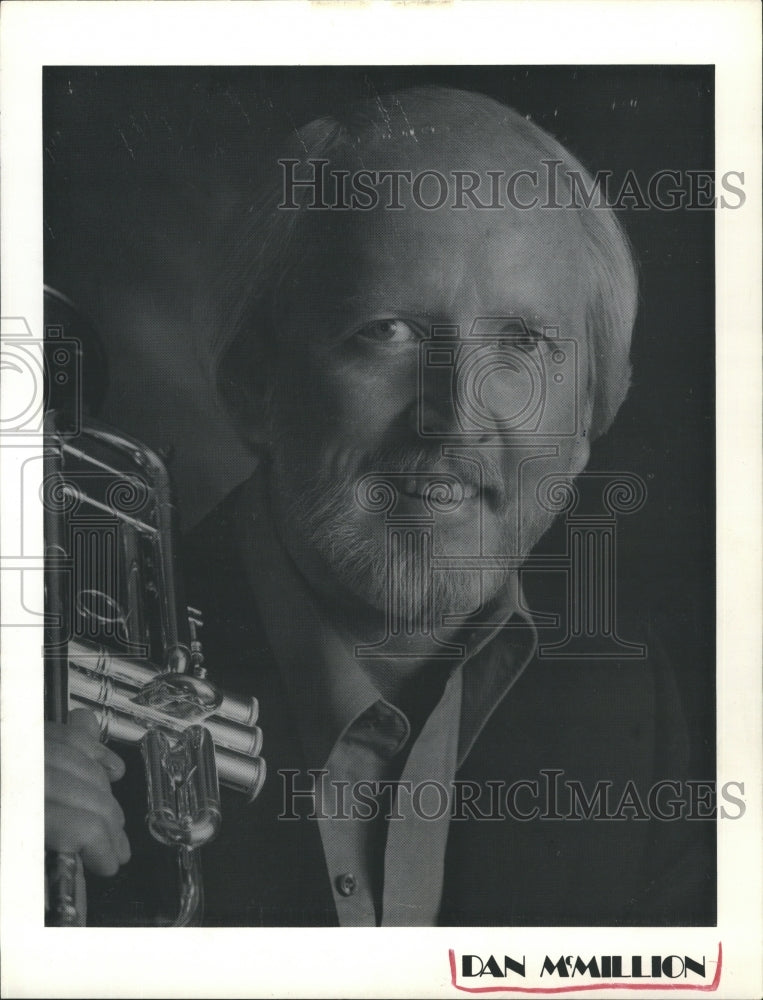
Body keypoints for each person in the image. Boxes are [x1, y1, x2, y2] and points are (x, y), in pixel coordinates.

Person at [45, 86, 714, 927]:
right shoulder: (48, 695)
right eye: (387, 330)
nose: (454, 415)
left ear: (585, 419)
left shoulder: (623, 703)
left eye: (522, 344)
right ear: (255, 382)